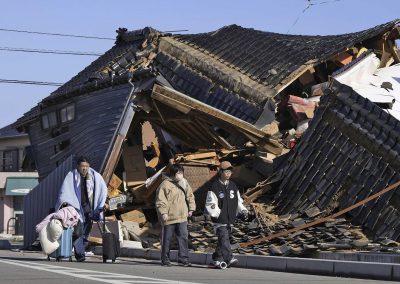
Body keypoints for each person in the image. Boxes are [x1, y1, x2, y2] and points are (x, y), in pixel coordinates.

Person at [55, 156, 107, 262]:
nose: (84, 168)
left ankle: (79, 250)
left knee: (86, 232)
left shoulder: (95, 176)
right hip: (76, 209)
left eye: (86, 166)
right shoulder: (71, 176)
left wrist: (101, 204)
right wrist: (65, 203)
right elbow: (64, 191)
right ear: (78, 166)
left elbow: (103, 190)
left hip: (90, 207)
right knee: (79, 231)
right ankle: (80, 254)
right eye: (82, 166)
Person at [205, 161, 248, 268]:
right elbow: (211, 202)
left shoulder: (233, 186)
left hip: (230, 219)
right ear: (220, 171)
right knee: (224, 238)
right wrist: (216, 214)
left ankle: (216, 258)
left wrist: (243, 210)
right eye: (226, 171)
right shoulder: (214, 186)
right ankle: (229, 258)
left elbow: (238, 201)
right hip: (220, 219)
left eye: (230, 171)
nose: (228, 173)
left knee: (222, 240)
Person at [155, 164, 196, 267]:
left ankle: (183, 259)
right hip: (169, 217)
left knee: (183, 237)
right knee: (167, 239)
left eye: (181, 173)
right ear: (173, 174)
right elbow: (160, 201)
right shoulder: (165, 185)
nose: (180, 175)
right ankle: (165, 259)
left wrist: (191, 208)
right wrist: (163, 212)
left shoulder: (184, 182)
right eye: (178, 173)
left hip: (182, 216)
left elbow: (190, 196)